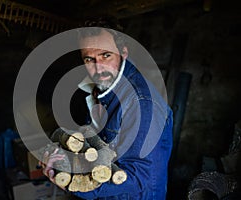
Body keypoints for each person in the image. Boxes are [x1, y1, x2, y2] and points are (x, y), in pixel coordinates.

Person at [41, 16, 173, 200]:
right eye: (89, 59)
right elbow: (95, 144)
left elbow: (140, 178)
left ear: (123, 52)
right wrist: (65, 159)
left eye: (106, 55)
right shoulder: (99, 89)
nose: (98, 67)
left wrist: (74, 184)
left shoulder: (141, 104)